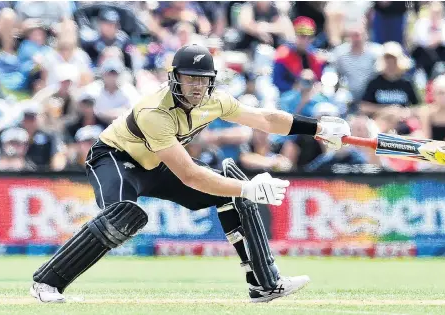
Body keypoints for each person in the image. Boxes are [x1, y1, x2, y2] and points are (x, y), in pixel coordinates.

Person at [30, 44, 351, 303]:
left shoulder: (215, 101)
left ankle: (264, 283)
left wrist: (319, 127)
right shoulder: (154, 111)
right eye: (189, 78)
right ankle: (47, 283)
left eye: (203, 79)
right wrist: (249, 189)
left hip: (156, 164)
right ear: (174, 78)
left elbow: (265, 119)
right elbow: (189, 176)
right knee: (121, 217)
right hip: (115, 158)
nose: (197, 86)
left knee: (230, 189)